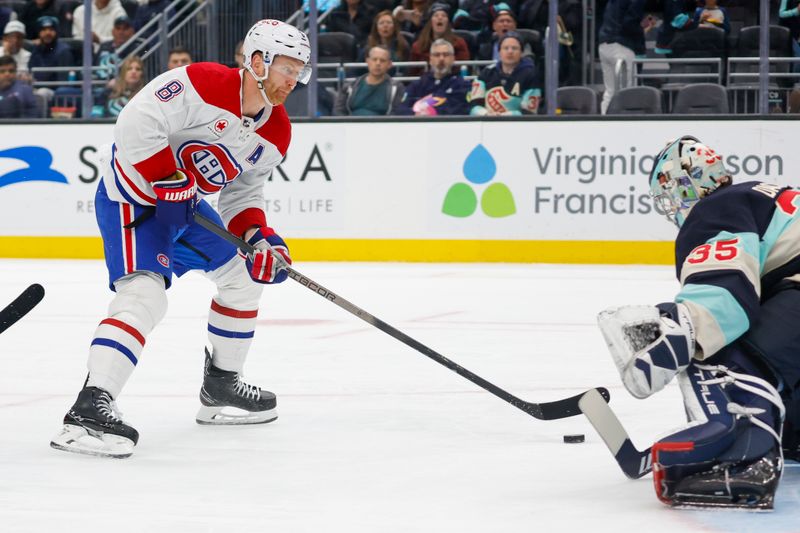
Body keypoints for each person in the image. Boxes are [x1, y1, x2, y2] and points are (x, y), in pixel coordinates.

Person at [49, 19, 313, 459]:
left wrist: (259, 238)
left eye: (299, 70)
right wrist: (166, 177)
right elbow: (135, 122)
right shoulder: (201, 82)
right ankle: (88, 410)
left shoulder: (277, 130)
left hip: (188, 212)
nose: (294, 79)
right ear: (256, 62)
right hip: (133, 199)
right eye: (287, 67)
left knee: (243, 277)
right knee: (145, 297)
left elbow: (242, 192)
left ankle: (221, 386)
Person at [598, 136, 798, 509]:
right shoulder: (760, 196)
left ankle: (743, 459)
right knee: (776, 350)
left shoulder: (716, 208)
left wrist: (680, 330)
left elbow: (723, 293)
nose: (672, 208)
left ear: (687, 185)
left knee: (719, 346)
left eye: (669, 195)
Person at [469, 32, 540, 116]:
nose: (510, 52)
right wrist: (486, 114)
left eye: (514, 48)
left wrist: (505, 116)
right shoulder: (486, 72)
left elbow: (529, 112)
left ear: (521, 52)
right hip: (487, 121)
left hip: (517, 125)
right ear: (499, 52)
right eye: (506, 48)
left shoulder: (530, 74)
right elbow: (474, 106)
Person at [395, 38, 469, 116]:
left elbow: (461, 109)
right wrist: (415, 114)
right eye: (437, 55)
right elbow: (401, 109)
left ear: (453, 59)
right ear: (430, 59)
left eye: (446, 55)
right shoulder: (418, 84)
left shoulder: (462, 85)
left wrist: (431, 112)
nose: (441, 59)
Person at [597, 0, 646, 114]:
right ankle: (627, 123)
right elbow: (629, 24)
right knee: (628, 90)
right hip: (622, 45)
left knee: (610, 90)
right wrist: (640, 30)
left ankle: (604, 120)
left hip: (604, 43)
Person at [333, 45, 404, 116]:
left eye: (382, 61)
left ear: (389, 64)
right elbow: (338, 111)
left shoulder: (396, 88)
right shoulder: (350, 86)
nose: (378, 63)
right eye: (374, 59)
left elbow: (396, 113)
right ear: (367, 61)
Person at [409, 3, 470, 68]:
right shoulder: (418, 46)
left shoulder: (459, 44)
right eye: (436, 15)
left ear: (448, 22)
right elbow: (413, 72)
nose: (440, 18)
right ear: (430, 22)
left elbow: (463, 67)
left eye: (444, 16)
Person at [28, 15, 73, 85]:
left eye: (51, 30)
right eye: (44, 30)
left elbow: (62, 82)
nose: (47, 33)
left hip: (53, 91)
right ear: (39, 33)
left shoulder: (63, 51)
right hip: (34, 87)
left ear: (56, 32)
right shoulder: (36, 49)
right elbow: (31, 71)